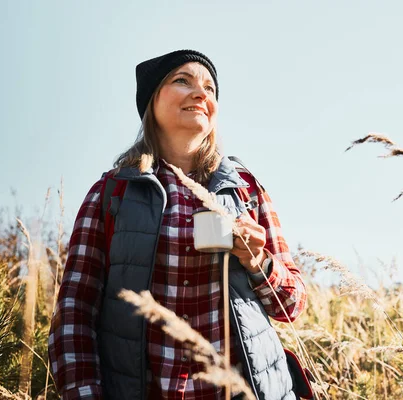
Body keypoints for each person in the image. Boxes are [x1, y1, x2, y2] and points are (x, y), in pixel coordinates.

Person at [48, 49, 308, 400]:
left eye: (210, 88)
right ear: (151, 101)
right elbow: (73, 314)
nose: (201, 93)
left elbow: (291, 306)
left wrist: (258, 261)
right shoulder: (111, 193)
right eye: (182, 81)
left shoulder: (246, 190)